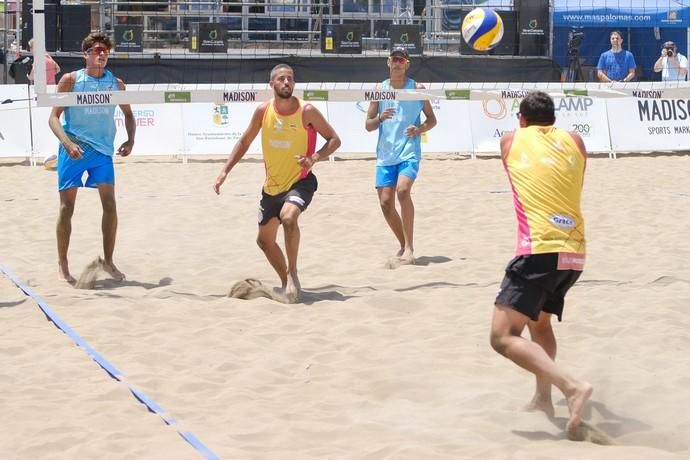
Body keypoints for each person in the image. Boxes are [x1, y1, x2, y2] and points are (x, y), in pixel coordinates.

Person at [490, 91, 592, 438]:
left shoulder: (509, 140)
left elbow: (513, 151)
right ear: (554, 120)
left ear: (521, 120)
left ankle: (571, 387)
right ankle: (543, 399)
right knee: (540, 325)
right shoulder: (575, 140)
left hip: (539, 250)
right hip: (575, 253)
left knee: (502, 337)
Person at [213, 64, 341, 303]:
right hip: (272, 187)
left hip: (301, 181)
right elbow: (244, 141)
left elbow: (335, 140)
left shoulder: (307, 111)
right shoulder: (263, 111)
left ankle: (292, 275)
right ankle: (286, 283)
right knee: (264, 241)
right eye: (281, 79)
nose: (286, 83)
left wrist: (314, 158)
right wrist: (225, 171)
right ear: (271, 84)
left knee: (289, 217)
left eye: (290, 79)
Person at [48, 32, 136, 284]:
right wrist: (67, 143)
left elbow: (129, 114)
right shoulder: (71, 80)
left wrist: (131, 140)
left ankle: (108, 261)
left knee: (110, 205)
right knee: (67, 208)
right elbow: (53, 118)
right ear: (85, 54)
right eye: (96, 50)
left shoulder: (116, 84)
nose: (101, 54)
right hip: (73, 148)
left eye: (105, 51)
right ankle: (63, 264)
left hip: (102, 152)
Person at [364, 46, 436, 267]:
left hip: (408, 150)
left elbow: (432, 120)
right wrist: (381, 119)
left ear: (407, 64)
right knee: (386, 204)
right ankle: (403, 243)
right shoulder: (380, 89)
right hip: (386, 154)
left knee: (403, 191)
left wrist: (419, 129)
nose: (397, 63)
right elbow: (368, 125)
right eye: (394, 59)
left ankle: (410, 248)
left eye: (401, 60)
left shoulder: (417, 88)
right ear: (388, 62)